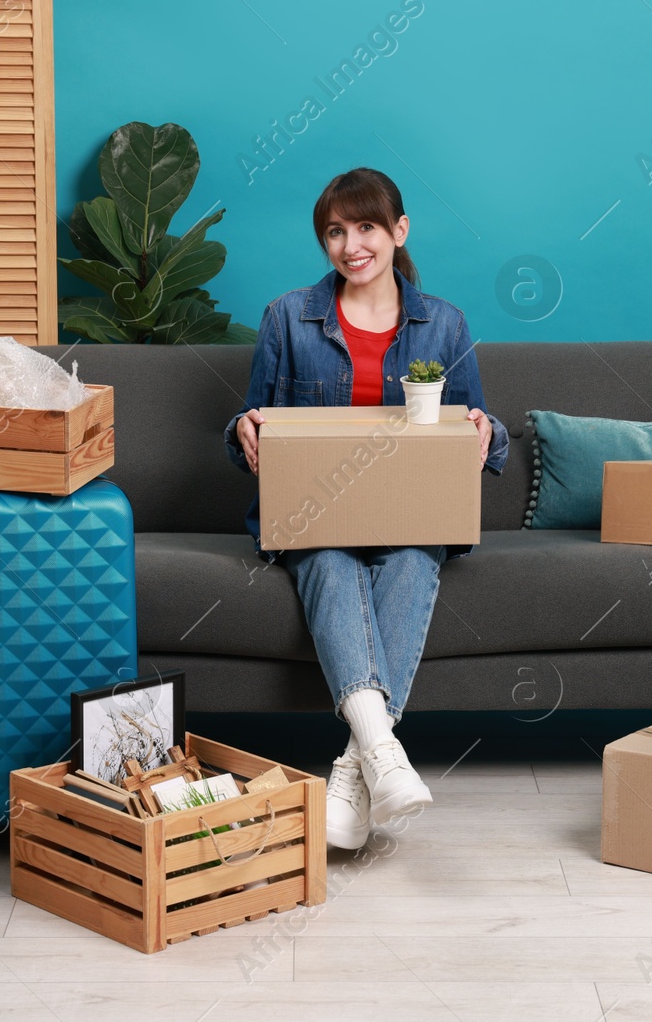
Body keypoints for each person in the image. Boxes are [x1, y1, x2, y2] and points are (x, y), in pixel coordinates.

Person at [223, 167, 508, 850]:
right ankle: (383, 759)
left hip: (414, 512)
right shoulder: (287, 316)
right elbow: (247, 422)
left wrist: (484, 431)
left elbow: (482, 428)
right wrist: (242, 430)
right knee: (326, 556)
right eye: (336, 231)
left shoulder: (443, 322)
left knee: (413, 557)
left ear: (398, 231)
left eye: (367, 227)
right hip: (315, 514)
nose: (352, 244)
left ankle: (354, 769)